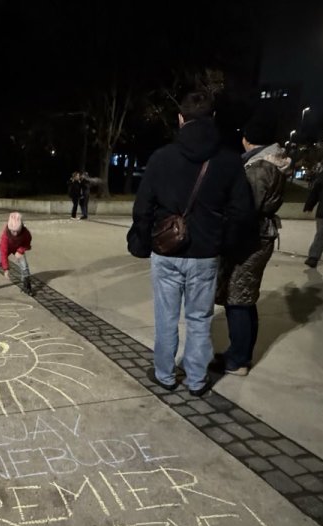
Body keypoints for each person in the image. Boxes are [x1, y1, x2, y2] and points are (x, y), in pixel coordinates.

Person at [127, 91, 255, 396]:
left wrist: (141, 242)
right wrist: (225, 244)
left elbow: (143, 206)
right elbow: (242, 211)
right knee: (199, 320)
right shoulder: (228, 161)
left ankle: (165, 375)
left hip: (166, 251)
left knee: (166, 318)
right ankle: (197, 381)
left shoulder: (162, 158)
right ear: (212, 119)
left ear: (181, 119)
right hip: (205, 254)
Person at [214, 115, 291, 377]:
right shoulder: (271, 163)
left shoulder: (258, 168)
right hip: (258, 237)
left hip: (250, 239)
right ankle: (240, 354)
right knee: (244, 297)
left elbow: (246, 210)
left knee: (239, 299)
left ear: (246, 139)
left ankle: (238, 360)